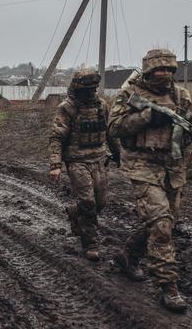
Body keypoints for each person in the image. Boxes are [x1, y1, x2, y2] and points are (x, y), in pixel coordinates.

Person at [108, 48, 192, 312]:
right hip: (141, 164)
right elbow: (113, 128)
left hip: (173, 166)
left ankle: (128, 257)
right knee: (161, 225)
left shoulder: (180, 95)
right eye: (159, 69)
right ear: (148, 70)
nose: (165, 74)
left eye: (169, 69)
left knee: (163, 221)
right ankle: (169, 287)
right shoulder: (130, 94)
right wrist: (146, 117)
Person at [49, 68, 120, 261]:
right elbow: (56, 137)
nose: (90, 92)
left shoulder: (102, 106)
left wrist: (119, 154)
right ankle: (91, 243)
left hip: (99, 159)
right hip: (77, 161)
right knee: (88, 202)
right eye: (86, 88)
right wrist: (55, 164)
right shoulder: (68, 108)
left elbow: (110, 133)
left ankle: (74, 212)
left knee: (100, 202)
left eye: (93, 88)